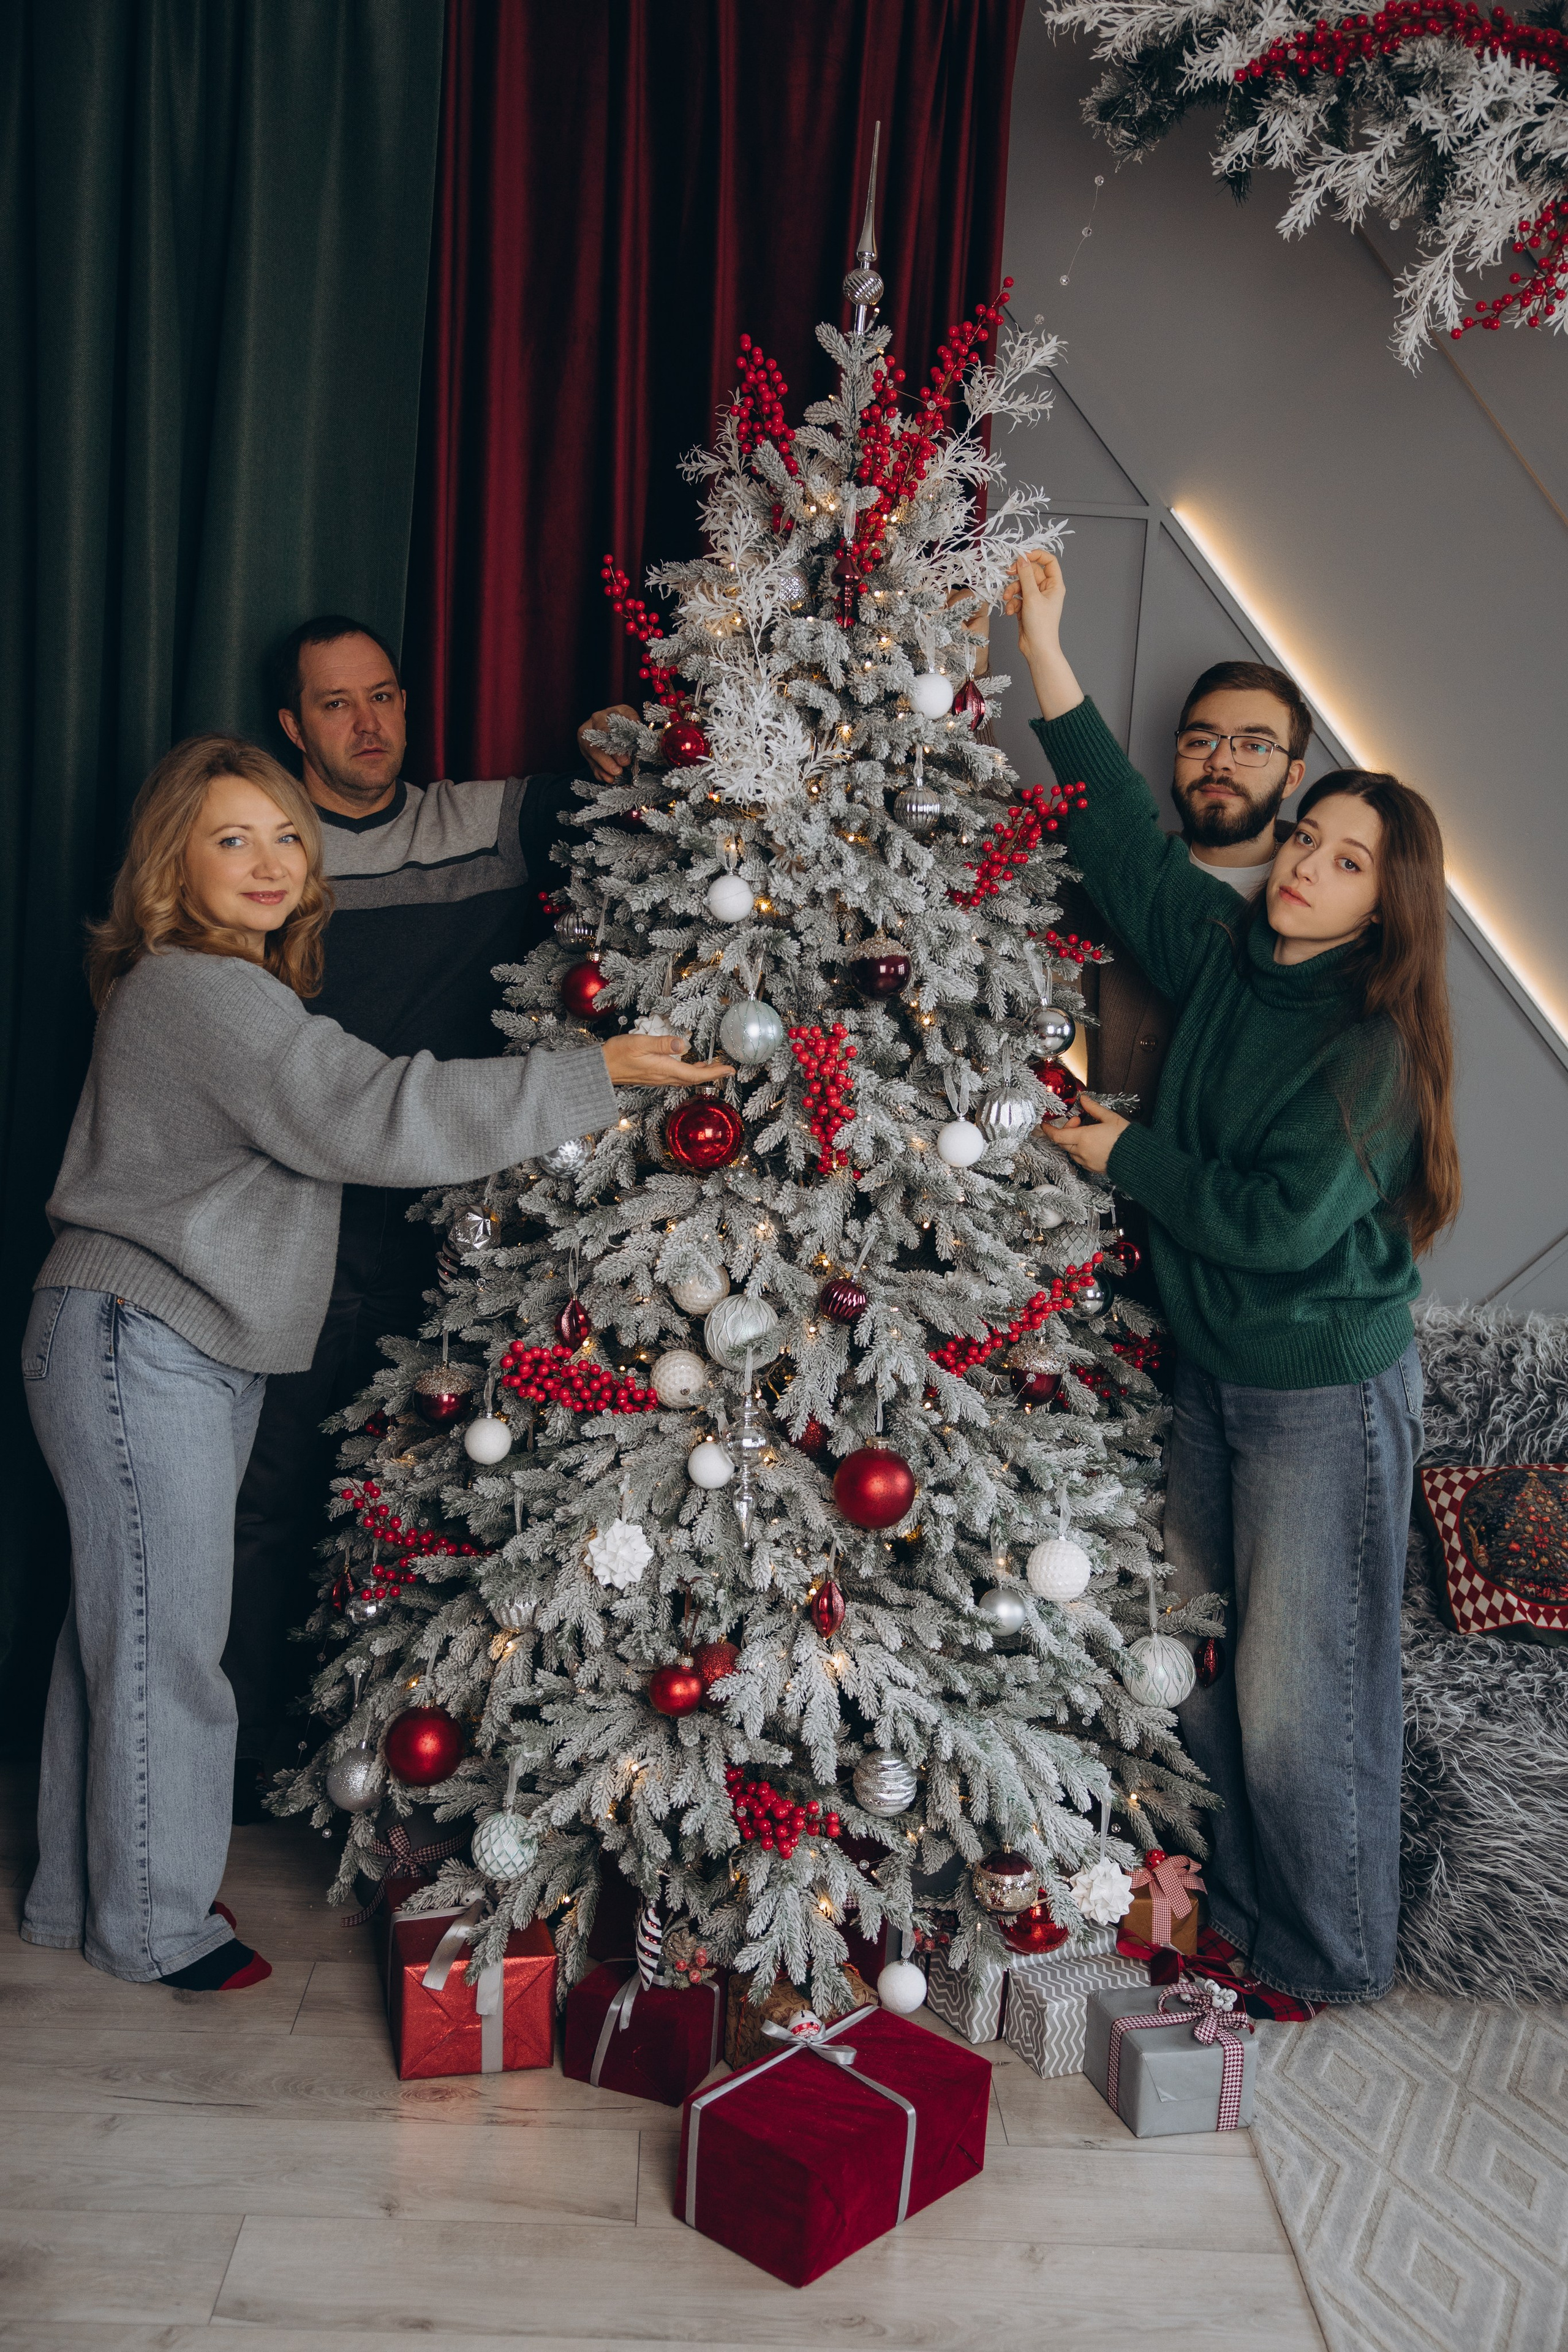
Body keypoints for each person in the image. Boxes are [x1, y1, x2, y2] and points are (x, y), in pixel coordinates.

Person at [20, 734, 728, 1991]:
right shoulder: (203, 989)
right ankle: (152, 1926)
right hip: (144, 1339)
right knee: (164, 1643)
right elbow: (370, 1112)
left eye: (286, 836)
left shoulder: (224, 990)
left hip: (155, 1339)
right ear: (170, 864)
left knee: (120, 1633)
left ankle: (84, 1904)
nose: (268, 860)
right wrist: (593, 1071)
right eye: (230, 837)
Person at [1005, 549, 1459, 2007]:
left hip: (1318, 1397)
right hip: (1213, 1373)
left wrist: (1116, 1157)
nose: (1304, 871)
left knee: (1300, 1699)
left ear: (1383, 905)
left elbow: (1270, 1224)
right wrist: (1044, 648)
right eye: (1303, 843)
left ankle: (1324, 1964)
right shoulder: (1227, 958)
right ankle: (1256, 1930)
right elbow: (1130, 850)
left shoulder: (1366, 1037)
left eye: (1342, 863)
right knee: (1199, 1667)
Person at [227, 619, 612, 1803]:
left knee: (426, 1511)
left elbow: (629, 775)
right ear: (292, 727)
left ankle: (387, 1776)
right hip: (293, 1235)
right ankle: (239, 1776)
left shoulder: (477, 822)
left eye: (385, 696)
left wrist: (615, 738)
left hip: (450, 1250)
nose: (369, 725)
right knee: (266, 1507)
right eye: (337, 706)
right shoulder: (263, 856)